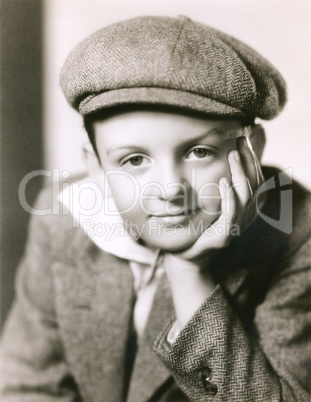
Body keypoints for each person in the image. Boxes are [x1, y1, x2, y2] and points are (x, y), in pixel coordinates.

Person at [0, 15, 310, 402]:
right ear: (95, 167)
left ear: (251, 151)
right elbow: (29, 386)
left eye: (200, 152)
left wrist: (188, 272)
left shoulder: (298, 230)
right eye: (133, 161)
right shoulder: (63, 215)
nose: (169, 190)